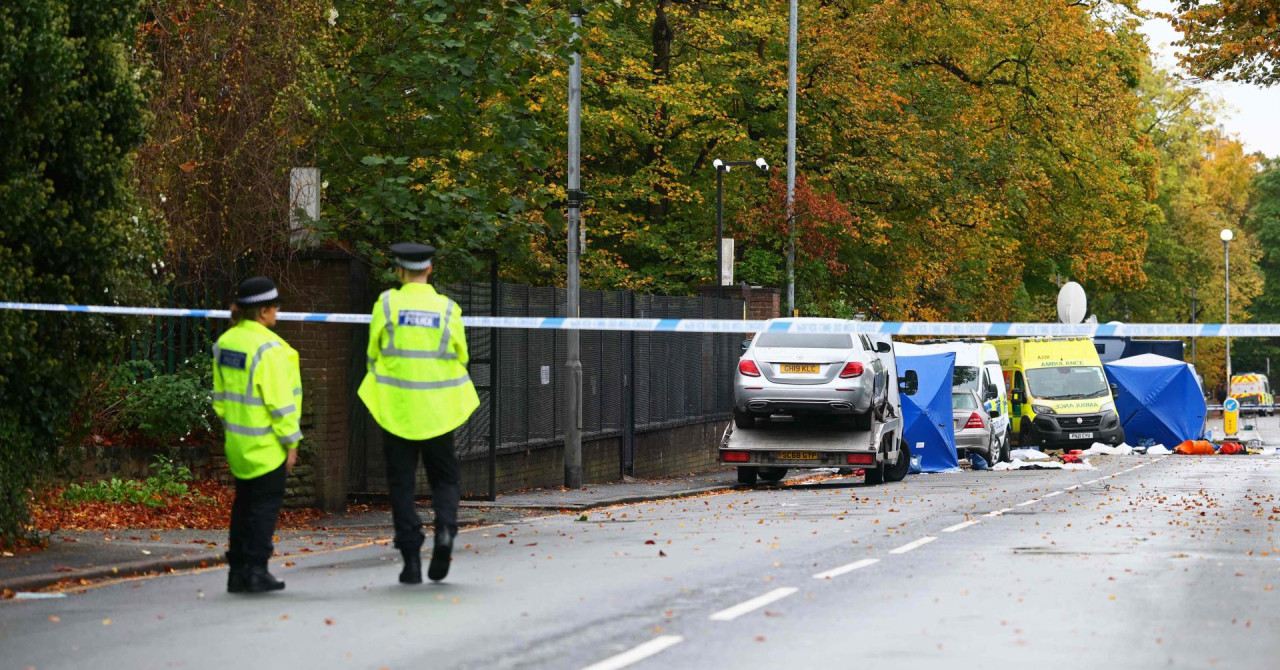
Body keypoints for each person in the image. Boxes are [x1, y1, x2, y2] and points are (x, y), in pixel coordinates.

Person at [358, 243, 479, 584]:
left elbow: (372, 354)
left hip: (397, 410)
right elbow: (462, 355)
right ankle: (446, 530)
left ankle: (411, 560)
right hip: (438, 412)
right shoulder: (447, 308)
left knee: (401, 485)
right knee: (445, 479)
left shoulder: (386, 304)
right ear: (429, 269)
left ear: (399, 271)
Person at [212, 276, 303, 594]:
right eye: (275, 307)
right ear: (263, 311)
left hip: (238, 443)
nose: (277, 312)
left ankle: (237, 572)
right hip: (267, 444)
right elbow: (280, 404)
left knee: (243, 506)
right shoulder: (270, 349)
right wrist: (291, 442)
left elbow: (220, 400)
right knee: (264, 507)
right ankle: (256, 570)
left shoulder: (225, 343)